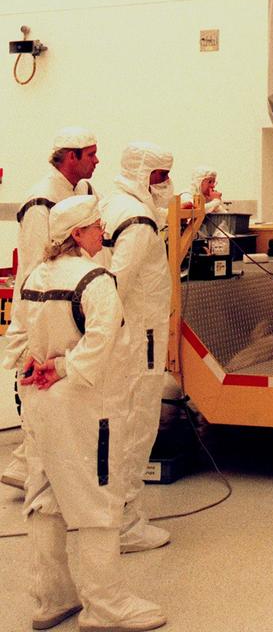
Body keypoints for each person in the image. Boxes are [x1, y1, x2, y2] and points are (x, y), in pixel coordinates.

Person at [2, 195, 166, 632]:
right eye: (96, 226)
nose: (103, 233)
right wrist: (60, 368)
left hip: (39, 403)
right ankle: (105, 606)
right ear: (77, 234)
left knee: (44, 497)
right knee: (98, 501)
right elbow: (100, 343)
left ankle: (51, 598)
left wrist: (35, 363)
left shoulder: (35, 276)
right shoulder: (96, 280)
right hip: (86, 405)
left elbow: (16, 337)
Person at [2, 127, 99, 493]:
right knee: (39, 393)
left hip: (73, 306)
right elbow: (34, 267)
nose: (97, 160)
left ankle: (35, 469)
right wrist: (34, 329)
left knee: (64, 396)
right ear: (71, 156)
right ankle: (34, 475)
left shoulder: (83, 192)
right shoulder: (40, 201)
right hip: (44, 311)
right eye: (91, 154)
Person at [100, 141, 174, 554]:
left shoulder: (113, 205)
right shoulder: (139, 220)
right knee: (137, 424)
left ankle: (112, 517)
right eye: (161, 176)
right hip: (139, 335)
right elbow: (117, 283)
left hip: (125, 335)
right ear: (144, 173)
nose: (166, 183)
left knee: (121, 422)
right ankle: (125, 524)